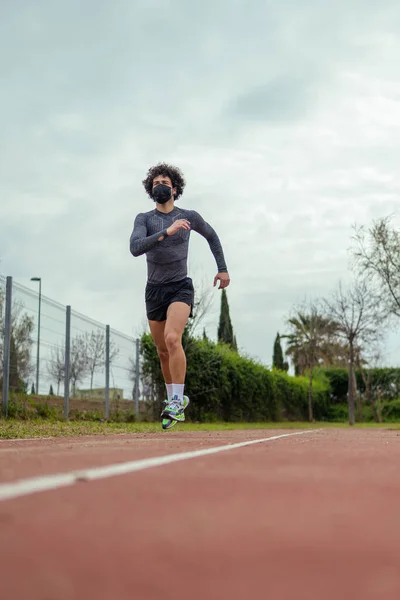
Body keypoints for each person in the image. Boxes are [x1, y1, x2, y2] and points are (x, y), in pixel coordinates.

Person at [130, 163, 230, 429]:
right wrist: (167, 232)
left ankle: (176, 403)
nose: (159, 186)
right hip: (154, 290)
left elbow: (212, 236)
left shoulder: (189, 216)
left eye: (164, 182)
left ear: (174, 188)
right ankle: (174, 399)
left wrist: (222, 269)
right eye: (154, 184)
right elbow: (135, 248)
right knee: (162, 351)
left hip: (180, 287)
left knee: (173, 339)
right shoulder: (145, 219)